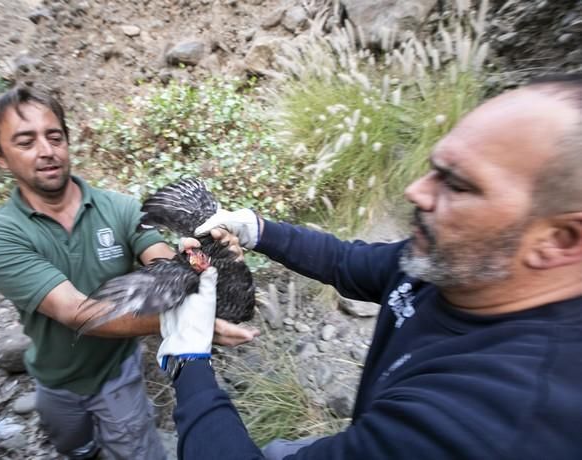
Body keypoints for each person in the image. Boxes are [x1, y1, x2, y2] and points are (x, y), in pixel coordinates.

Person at [156, 75, 582, 459]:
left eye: (457, 184)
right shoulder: (464, 267)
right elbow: (347, 262)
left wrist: (187, 361)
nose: (415, 191)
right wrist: (255, 228)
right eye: (433, 169)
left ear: (559, 240)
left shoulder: (492, 418)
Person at [0, 87, 257, 460]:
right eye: (25, 141)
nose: (46, 150)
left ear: (68, 142)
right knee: (74, 446)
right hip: (54, 379)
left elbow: (159, 258)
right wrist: (182, 323)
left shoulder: (119, 208)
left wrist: (202, 265)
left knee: (139, 450)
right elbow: (75, 311)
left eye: (55, 137)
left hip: (118, 373)